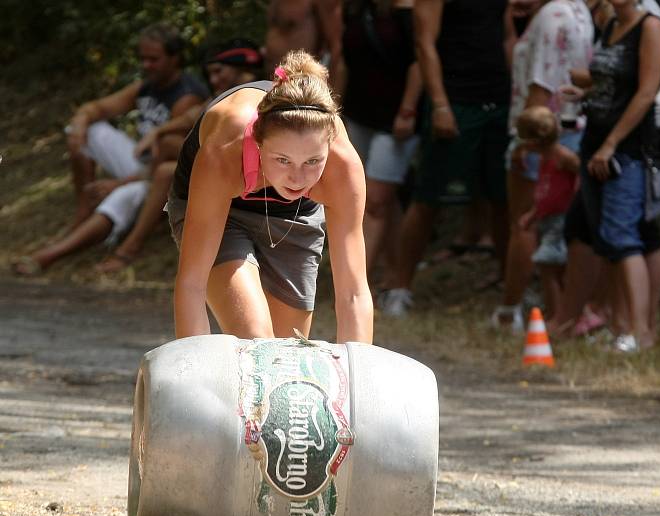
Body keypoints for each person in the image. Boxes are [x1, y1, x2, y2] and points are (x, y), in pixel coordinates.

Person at [167, 50, 372, 343]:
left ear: (329, 148)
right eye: (283, 160)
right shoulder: (225, 151)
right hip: (222, 208)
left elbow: (353, 293)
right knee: (256, 338)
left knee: (286, 351)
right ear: (259, 143)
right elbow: (191, 284)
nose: (298, 178)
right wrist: (190, 367)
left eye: (313, 161)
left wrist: (358, 382)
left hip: (295, 215)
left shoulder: (343, 168)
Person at [11, 23, 208, 276]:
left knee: (121, 197)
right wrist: (80, 124)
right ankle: (84, 211)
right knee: (85, 131)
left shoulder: (187, 96)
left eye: (154, 59)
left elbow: (171, 160)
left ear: (174, 58)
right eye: (143, 58)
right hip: (142, 161)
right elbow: (97, 109)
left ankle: (50, 256)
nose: (146, 65)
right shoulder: (147, 86)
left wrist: (118, 184)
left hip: (159, 176)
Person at [379, 0, 516, 317]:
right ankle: (399, 289)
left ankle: (513, 295)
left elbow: (507, 36)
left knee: (503, 199)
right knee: (428, 197)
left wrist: (516, 91)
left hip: (499, 99)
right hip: (455, 100)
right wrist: (440, 104)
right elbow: (424, 43)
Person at [95, 39, 265, 273]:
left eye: (219, 72)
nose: (214, 80)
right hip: (224, 165)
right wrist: (158, 131)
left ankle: (128, 250)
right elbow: (191, 118)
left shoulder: (251, 92)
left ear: (240, 67)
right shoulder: (227, 92)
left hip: (248, 175)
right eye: (210, 75)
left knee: (166, 170)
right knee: (166, 150)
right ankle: (140, 197)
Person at [492, 0, 593, 332]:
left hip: (541, 135)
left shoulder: (552, 16)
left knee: (524, 225)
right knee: (553, 229)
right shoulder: (579, 10)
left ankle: (510, 311)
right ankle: (560, 311)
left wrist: (526, 143)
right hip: (568, 130)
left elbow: (541, 87)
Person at [578, 0, 660, 351]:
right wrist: (585, 92)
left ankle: (640, 331)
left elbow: (646, 92)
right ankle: (621, 328)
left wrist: (612, 143)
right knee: (609, 237)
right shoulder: (611, 24)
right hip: (595, 142)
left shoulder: (651, 27)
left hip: (629, 150)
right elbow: (613, 82)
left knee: (623, 235)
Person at [340, 0, 422, 287]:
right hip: (359, 114)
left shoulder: (407, 12)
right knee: (381, 199)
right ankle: (393, 274)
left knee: (373, 201)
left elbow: (419, 60)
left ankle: (354, 285)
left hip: (395, 120)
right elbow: (343, 60)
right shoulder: (356, 10)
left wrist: (408, 110)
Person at [515, 106, 580, 319]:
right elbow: (546, 191)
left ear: (533, 141)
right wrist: (532, 214)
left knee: (546, 264)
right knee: (555, 268)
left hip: (561, 220)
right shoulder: (544, 158)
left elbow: (580, 175)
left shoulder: (563, 156)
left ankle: (557, 315)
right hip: (546, 219)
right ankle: (561, 312)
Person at [264, 0, 344, 92]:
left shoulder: (323, 4)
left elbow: (336, 49)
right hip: (275, 78)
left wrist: (330, 99)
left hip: (304, 81)